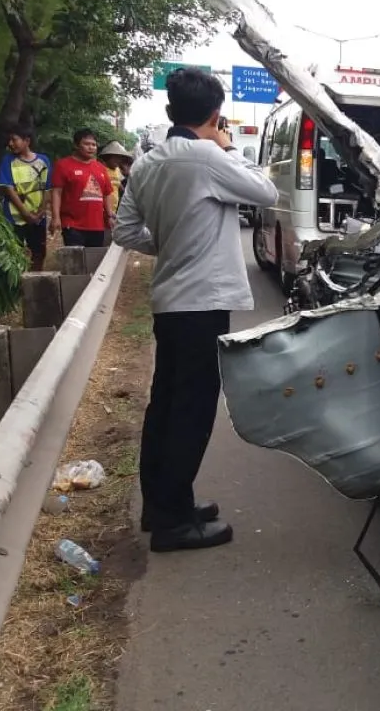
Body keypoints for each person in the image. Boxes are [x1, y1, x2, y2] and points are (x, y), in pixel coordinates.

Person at [113, 67, 278, 553]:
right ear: (215, 114)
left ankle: (164, 504)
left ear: (169, 112)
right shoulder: (208, 157)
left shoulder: (147, 163)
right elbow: (267, 193)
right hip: (203, 303)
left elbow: (125, 232)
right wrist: (228, 147)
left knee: (165, 405)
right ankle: (173, 523)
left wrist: (168, 244)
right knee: (192, 410)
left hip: (170, 303)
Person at [0, 124, 53, 271]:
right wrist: (26, 214)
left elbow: (47, 188)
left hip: (38, 218)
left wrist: (40, 212)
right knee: (14, 253)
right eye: (9, 140)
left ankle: (35, 282)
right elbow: (9, 189)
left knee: (39, 253)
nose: (10, 144)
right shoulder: (8, 161)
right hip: (14, 218)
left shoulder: (44, 161)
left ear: (27, 141)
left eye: (14, 140)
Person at [51, 128, 115, 247]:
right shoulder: (63, 165)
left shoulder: (100, 168)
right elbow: (57, 192)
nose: (91, 147)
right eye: (86, 144)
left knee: (93, 260)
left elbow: (106, 194)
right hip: (72, 224)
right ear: (76, 145)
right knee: (76, 260)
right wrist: (55, 217)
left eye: (94, 145)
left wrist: (110, 215)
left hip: (97, 224)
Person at [99, 140, 134, 205]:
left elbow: (118, 183)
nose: (118, 161)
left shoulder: (117, 170)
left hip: (114, 209)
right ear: (108, 157)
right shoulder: (101, 169)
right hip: (103, 208)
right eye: (115, 158)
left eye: (120, 158)